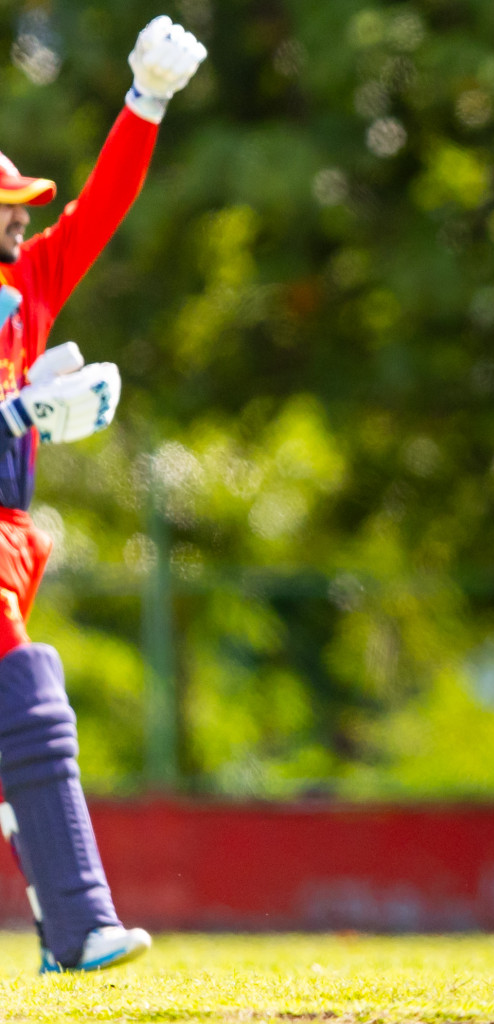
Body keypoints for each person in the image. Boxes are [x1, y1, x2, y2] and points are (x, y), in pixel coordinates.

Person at [0, 15, 205, 972]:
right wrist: (11, 416)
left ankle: (65, 933)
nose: (23, 220)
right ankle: (79, 927)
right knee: (30, 698)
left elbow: (100, 210)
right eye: (7, 209)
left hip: (12, 533)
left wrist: (146, 102)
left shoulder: (31, 279)